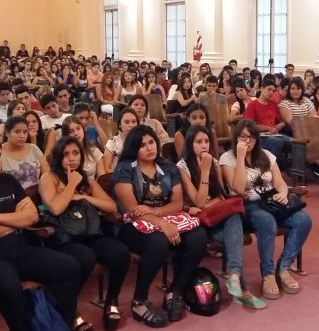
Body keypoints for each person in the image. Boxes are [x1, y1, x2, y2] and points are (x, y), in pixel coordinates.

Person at [0, 132, 85, 331]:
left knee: (71, 267)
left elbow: (32, 217)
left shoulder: (8, 181)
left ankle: (60, 323)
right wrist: (16, 221)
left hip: (20, 248)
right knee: (11, 291)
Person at [112, 125, 208, 327]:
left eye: (151, 142)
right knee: (158, 241)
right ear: (133, 148)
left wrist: (157, 213)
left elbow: (177, 203)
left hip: (165, 218)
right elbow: (133, 210)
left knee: (198, 236)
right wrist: (161, 223)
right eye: (142, 145)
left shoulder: (169, 168)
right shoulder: (124, 169)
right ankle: (139, 301)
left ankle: (176, 290)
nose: (149, 148)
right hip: (132, 226)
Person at [40, 136, 130, 331]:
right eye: (65, 154)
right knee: (86, 257)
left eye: (75, 153)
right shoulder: (49, 178)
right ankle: (70, 309)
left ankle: (111, 300)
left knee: (120, 252)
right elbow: (55, 208)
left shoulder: (86, 179)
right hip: (64, 238)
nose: (71, 158)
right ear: (57, 157)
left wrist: (82, 195)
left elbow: (111, 206)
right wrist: (72, 185)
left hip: (89, 233)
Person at [221, 119, 312, 301]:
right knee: (266, 221)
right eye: (243, 137)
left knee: (304, 220)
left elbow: (279, 182)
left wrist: (284, 193)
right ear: (236, 137)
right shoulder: (228, 158)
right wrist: (240, 157)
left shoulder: (267, 155)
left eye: (251, 137)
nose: (247, 141)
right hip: (248, 206)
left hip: (272, 202)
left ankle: (284, 268)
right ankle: (268, 273)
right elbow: (238, 188)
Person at [178, 125, 265, 309]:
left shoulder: (215, 163)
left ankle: (234, 275)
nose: (204, 146)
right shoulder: (183, 166)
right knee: (233, 231)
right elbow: (199, 202)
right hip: (198, 222)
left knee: (233, 218)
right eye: (199, 142)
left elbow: (221, 195)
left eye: (207, 141)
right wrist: (205, 170)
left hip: (215, 215)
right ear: (190, 144)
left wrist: (211, 170)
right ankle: (244, 291)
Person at [243, 74, 291, 162]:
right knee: (277, 142)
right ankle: (269, 166)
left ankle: (290, 167)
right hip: (258, 136)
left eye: (273, 90)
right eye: (269, 89)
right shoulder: (252, 105)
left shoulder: (273, 104)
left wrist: (278, 126)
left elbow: (282, 122)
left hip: (274, 134)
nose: (271, 92)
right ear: (261, 88)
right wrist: (268, 128)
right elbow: (249, 126)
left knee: (292, 141)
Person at [1, 116, 48, 189]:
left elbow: (47, 173)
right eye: (17, 132)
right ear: (7, 133)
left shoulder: (34, 148)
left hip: (36, 194)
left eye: (25, 132)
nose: (22, 136)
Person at [61, 116, 106, 181]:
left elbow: (102, 178)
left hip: (93, 188)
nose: (76, 133)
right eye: (71, 131)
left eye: (78, 128)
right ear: (66, 135)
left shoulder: (94, 151)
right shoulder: (62, 153)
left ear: (83, 129)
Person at [102, 108, 140, 173]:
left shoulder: (143, 141)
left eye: (134, 122)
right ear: (120, 125)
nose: (131, 125)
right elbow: (107, 169)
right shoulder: (113, 142)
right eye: (127, 122)